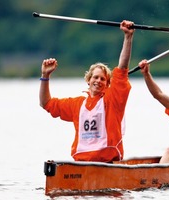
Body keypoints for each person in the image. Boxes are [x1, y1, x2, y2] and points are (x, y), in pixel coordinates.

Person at [39, 20, 135, 162]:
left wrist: (128, 37)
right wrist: (45, 76)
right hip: (83, 164)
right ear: (88, 80)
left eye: (103, 79)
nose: (98, 81)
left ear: (108, 84)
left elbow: (122, 69)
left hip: (107, 163)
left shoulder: (112, 100)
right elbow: (45, 103)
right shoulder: (77, 104)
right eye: (95, 77)